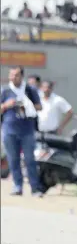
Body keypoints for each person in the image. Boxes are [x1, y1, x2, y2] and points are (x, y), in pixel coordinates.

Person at [0, 66, 43, 197]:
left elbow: (39, 106)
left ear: (22, 76)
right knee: (13, 160)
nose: (13, 77)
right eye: (11, 75)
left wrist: (26, 103)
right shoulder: (5, 91)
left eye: (16, 75)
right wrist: (7, 105)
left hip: (27, 131)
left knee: (30, 160)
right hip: (9, 130)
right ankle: (17, 186)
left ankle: (35, 187)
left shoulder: (29, 90)